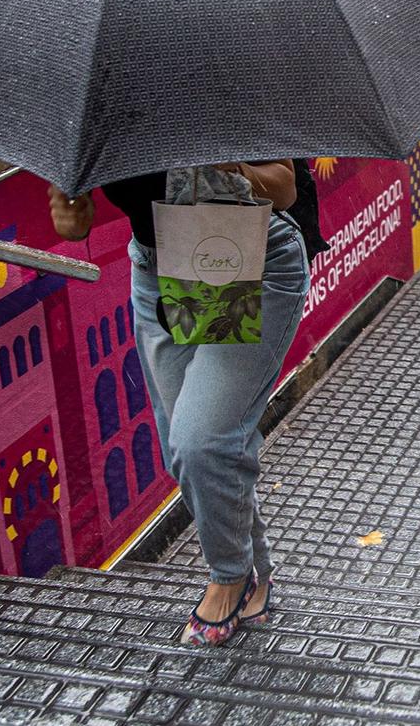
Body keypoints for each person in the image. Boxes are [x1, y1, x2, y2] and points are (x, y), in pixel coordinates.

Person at [48, 158, 326, 645]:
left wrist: (232, 167)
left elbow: (282, 189)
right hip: (158, 271)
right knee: (189, 452)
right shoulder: (98, 108)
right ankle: (257, 568)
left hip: (241, 254)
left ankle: (229, 576)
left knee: (203, 441)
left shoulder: (210, 85)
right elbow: (72, 218)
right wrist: (70, 205)